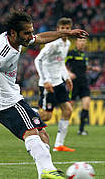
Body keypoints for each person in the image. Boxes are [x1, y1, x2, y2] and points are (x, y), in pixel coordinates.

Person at [0, 11, 88, 179]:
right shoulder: (0, 56)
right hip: (6, 102)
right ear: (13, 33)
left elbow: (40, 38)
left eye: (31, 31)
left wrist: (66, 33)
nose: (30, 36)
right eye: (27, 33)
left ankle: (44, 173)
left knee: (42, 133)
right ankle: (47, 169)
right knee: (31, 132)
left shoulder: (14, 37)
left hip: (11, 98)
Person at [34, 17, 75, 152]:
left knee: (68, 110)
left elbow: (60, 62)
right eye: (62, 28)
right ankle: (27, 112)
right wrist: (45, 80)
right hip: (48, 83)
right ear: (58, 30)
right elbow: (38, 60)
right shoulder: (53, 44)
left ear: (70, 29)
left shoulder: (67, 43)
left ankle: (59, 145)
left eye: (67, 28)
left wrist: (67, 77)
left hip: (59, 82)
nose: (65, 31)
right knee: (46, 116)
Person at [65, 37, 100, 135]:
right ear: (76, 42)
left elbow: (85, 67)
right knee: (69, 108)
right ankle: (63, 127)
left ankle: (81, 129)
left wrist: (93, 68)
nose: (82, 43)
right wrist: (68, 73)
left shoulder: (85, 55)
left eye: (83, 41)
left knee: (86, 104)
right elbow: (62, 65)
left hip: (84, 82)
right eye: (80, 40)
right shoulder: (71, 53)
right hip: (74, 83)